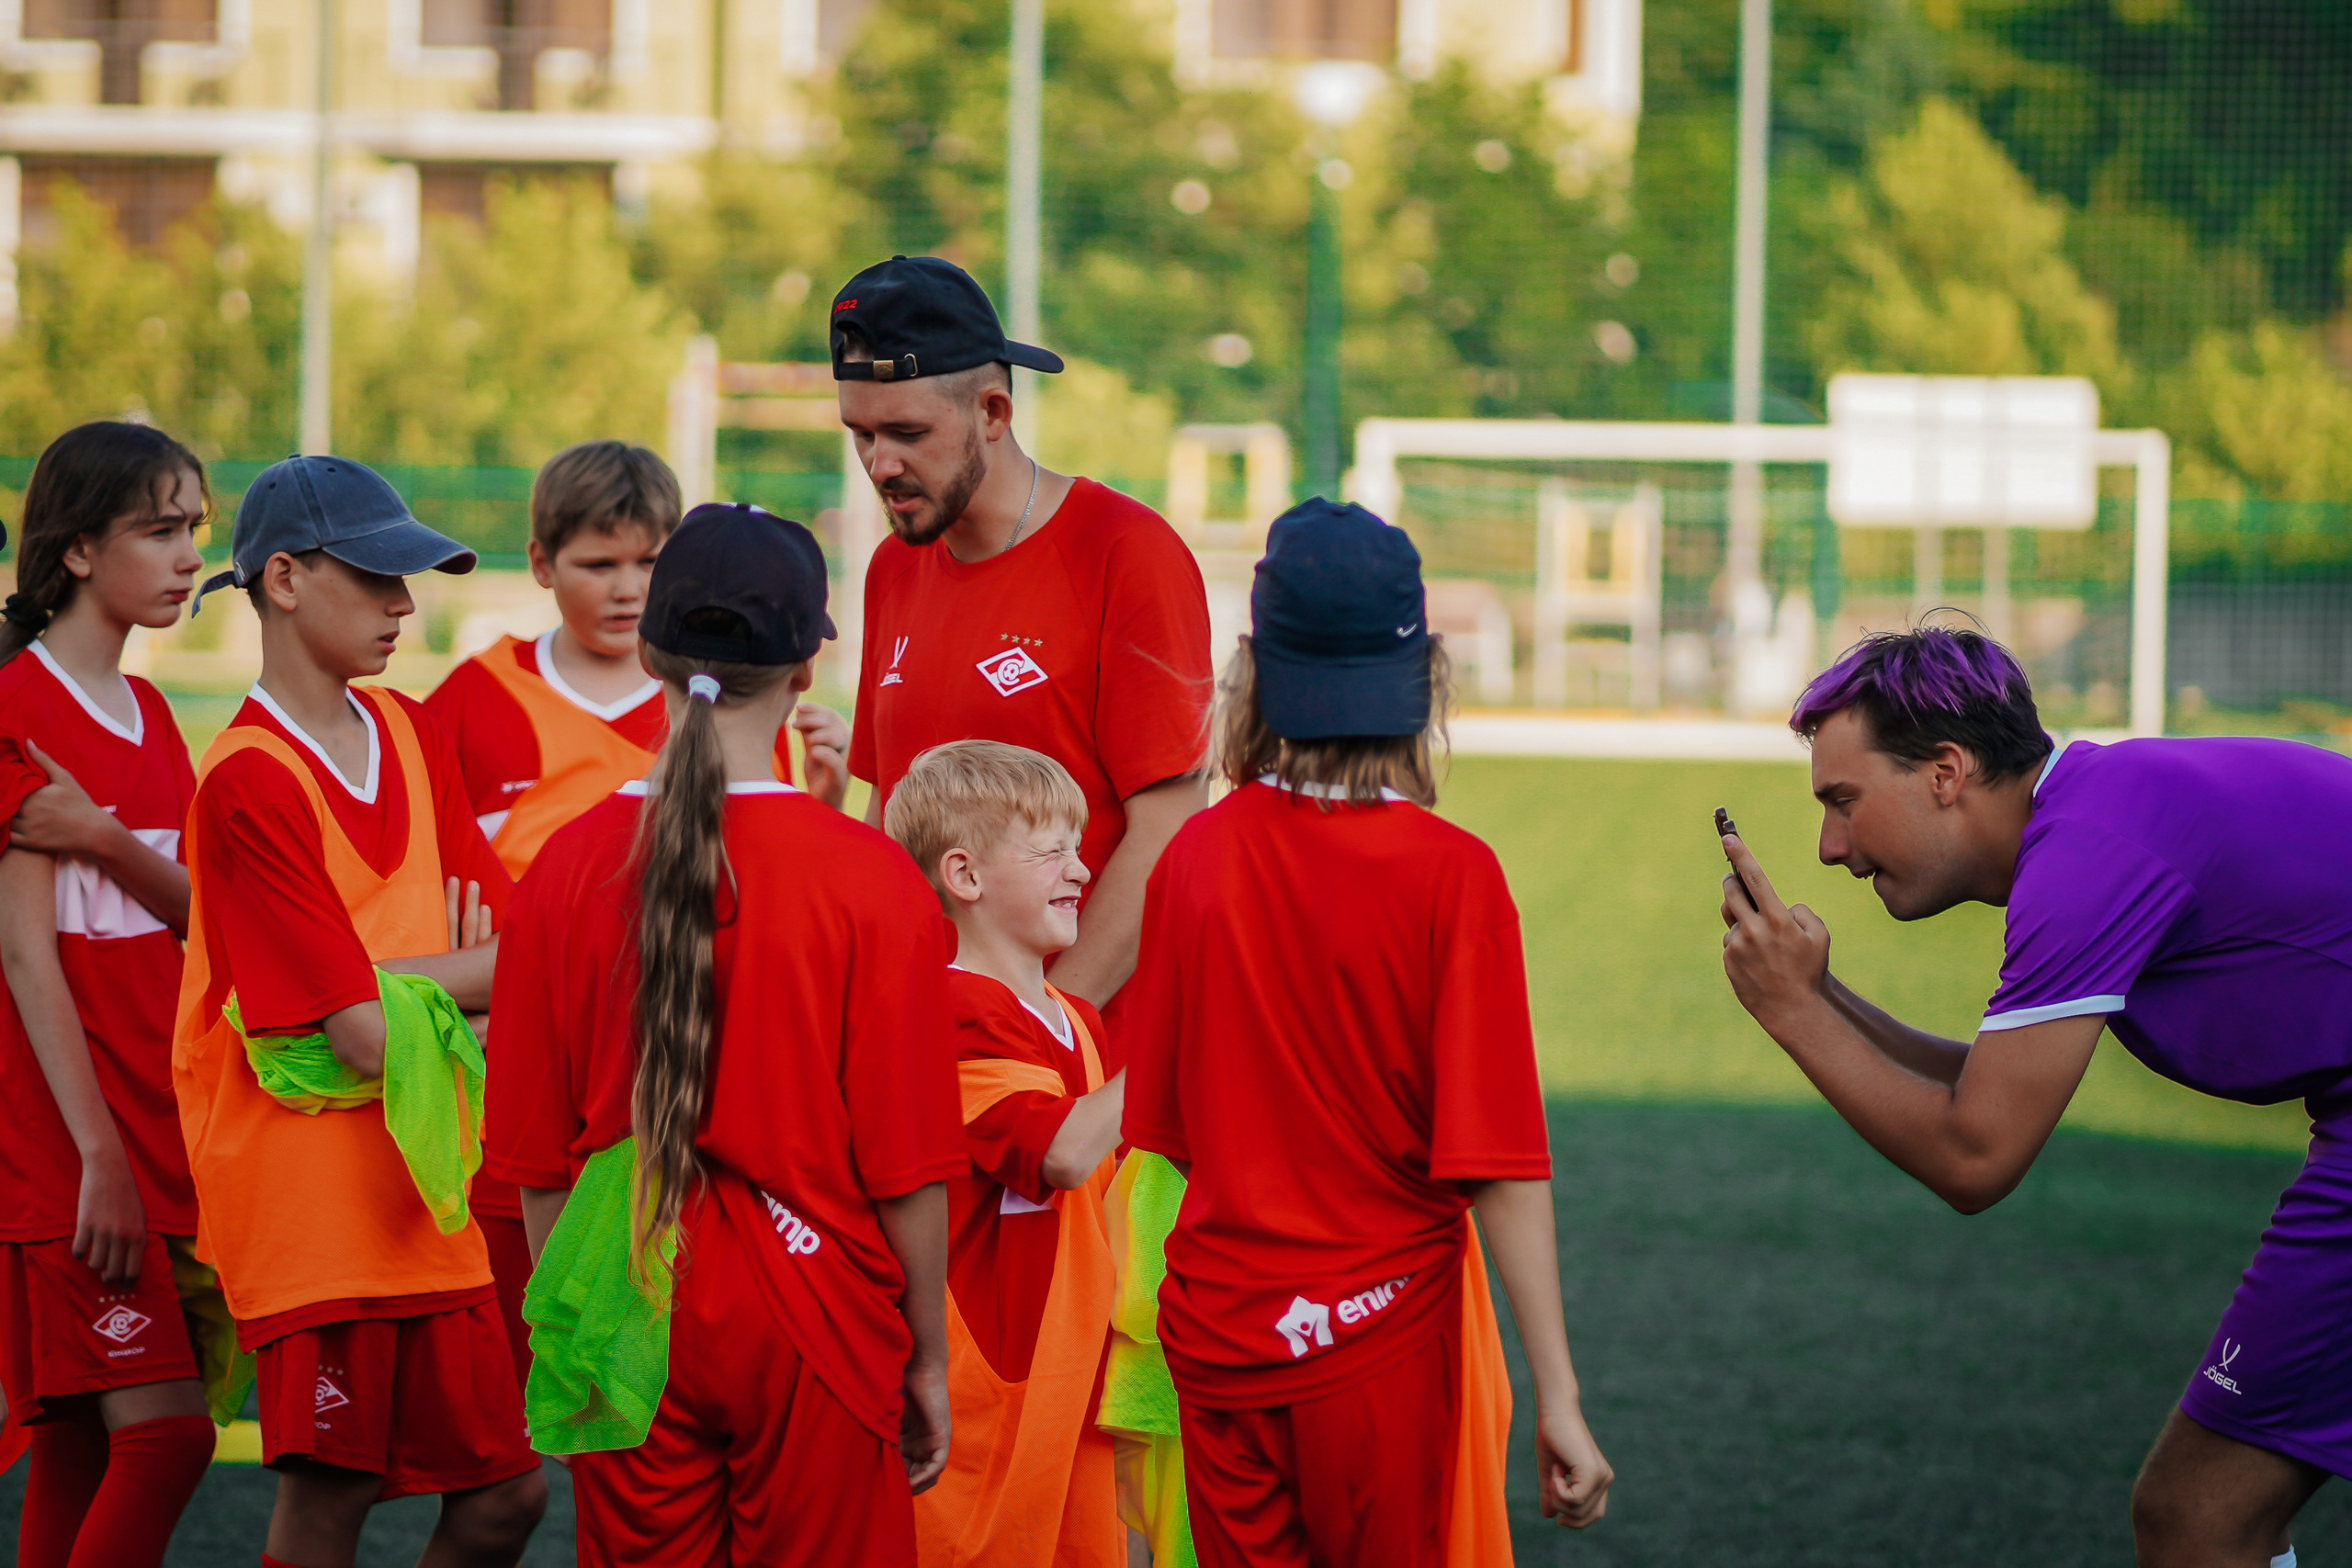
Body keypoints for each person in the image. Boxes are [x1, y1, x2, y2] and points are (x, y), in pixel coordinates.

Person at [1718, 626, 2352, 1568]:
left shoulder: (2085, 858)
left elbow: (1976, 1155)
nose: (1827, 846)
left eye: (1843, 801)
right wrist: (1812, 996)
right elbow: (1983, 1088)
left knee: (2199, 1518)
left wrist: (1792, 1018)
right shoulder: (2095, 812)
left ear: (1944, 770)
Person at [1121, 499, 1613, 1566]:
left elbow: (1165, 1126)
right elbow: (1502, 1165)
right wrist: (1558, 1395)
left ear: (1252, 671)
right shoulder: (1455, 877)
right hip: (1378, 1344)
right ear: (1423, 678)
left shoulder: (1193, 861)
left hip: (1218, 1335)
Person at [482, 503, 967, 1568]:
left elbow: (531, 1169)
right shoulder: (869, 877)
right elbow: (908, 1167)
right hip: (811, 1302)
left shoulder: (562, 870)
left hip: (629, 1288)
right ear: (804, 671)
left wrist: (579, 1342)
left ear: (650, 652)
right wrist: (926, 1359)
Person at [833, 254, 1213, 1559]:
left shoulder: (1127, 553)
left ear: (994, 410)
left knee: (1093, 1496)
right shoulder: (892, 572)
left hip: (1076, 1118)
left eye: (906, 432)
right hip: (935, 1109)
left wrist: (1054, 1029)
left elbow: (1168, 820)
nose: (880, 463)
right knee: (946, 1470)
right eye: (860, 436)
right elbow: (889, 828)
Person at [174, 456, 545, 1567]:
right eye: (377, 575)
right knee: (329, 1504)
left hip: (424, 1190)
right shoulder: (246, 779)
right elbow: (361, 1037)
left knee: (507, 1498)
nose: (404, 603)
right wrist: (460, 992)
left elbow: (515, 959)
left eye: (410, 578)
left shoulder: (415, 733)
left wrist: (434, 986)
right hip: (312, 1209)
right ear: (282, 579)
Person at [424, 439, 848, 1393]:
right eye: (598, 562)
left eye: (648, 564)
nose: (625, 588)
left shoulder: (737, 705)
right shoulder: (468, 704)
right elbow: (448, 914)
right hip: (517, 1094)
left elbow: (770, 904)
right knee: (522, 1423)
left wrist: (825, 801)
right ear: (539, 564)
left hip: (693, 1095)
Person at [0, 423, 221, 1568]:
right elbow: (28, 958)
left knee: (87, 1439)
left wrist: (102, 837)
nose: (189, 556)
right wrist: (95, 1154)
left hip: (154, 1123)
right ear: (79, 550)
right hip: (70, 1148)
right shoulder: (18, 705)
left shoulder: (159, 722)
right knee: (169, 1437)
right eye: (161, 529)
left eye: (195, 530)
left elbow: (199, 914)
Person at [884, 739, 1126, 1567]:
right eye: (1052, 847)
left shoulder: (1077, 1016)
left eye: (1080, 844)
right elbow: (1057, 1153)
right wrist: (1183, 1035)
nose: (1082, 868)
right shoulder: (951, 1008)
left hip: (1073, 1375)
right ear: (965, 875)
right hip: (985, 1384)